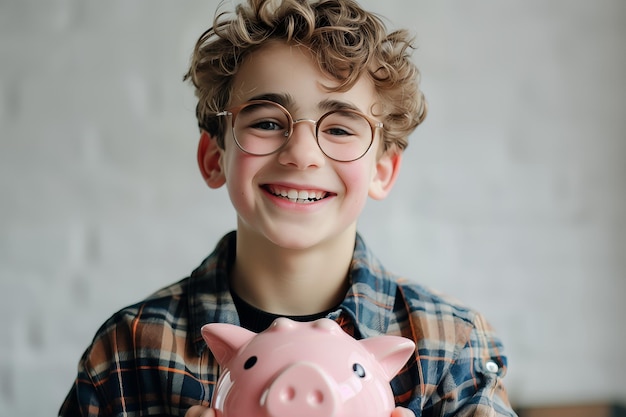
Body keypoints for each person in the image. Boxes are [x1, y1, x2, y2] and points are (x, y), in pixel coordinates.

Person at [59, 0, 517, 416]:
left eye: (339, 129)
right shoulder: (128, 351)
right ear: (215, 159)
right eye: (267, 122)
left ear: (382, 171)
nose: (302, 153)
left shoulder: (451, 346)